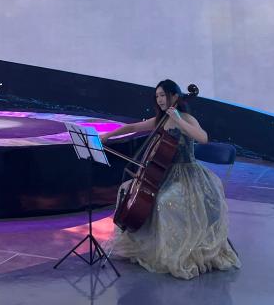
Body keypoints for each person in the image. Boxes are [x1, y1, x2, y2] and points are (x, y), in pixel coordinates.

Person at [102, 79, 239, 279]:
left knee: (165, 201)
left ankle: (173, 252)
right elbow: (133, 127)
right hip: (163, 173)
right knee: (126, 188)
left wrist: (179, 120)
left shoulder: (187, 118)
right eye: (157, 96)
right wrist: (107, 136)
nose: (159, 99)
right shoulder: (160, 120)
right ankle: (148, 244)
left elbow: (203, 138)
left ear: (174, 96)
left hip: (187, 175)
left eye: (163, 95)